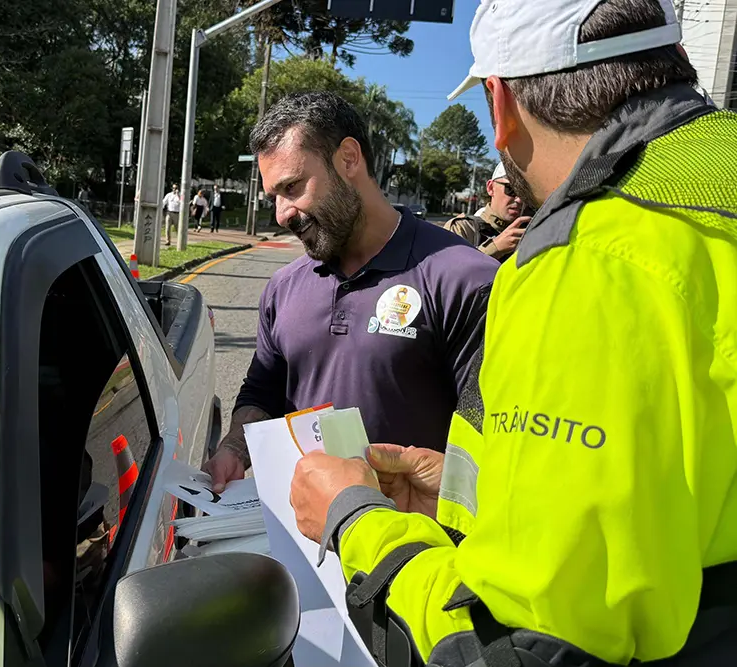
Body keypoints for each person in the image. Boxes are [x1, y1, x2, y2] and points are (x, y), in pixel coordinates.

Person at [288, 1, 737, 666]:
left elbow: (518, 646)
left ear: (499, 104)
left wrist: (355, 520)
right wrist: (476, 494)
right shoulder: (709, 193)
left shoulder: (589, 261)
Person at [203, 92, 499, 492]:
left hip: (417, 547)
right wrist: (235, 449)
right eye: (274, 195)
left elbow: (493, 446)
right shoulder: (283, 287)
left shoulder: (465, 280)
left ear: (348, 159)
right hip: (301, 540)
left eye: (292, 187)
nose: (281, 213)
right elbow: (265, 389)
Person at [443, 162, 528, 262]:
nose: (519, 200)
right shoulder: (463, 228)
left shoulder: (529, 234)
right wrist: (494, 248)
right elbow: (448, 273)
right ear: (491, 188)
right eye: (511, 189)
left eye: (524, 193)